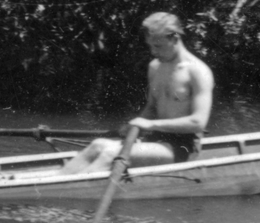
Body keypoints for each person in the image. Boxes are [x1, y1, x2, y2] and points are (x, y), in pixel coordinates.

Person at [56, 11, 215, 174]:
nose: (153, 51)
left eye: (158, 46)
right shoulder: (155, 67)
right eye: (150, 46)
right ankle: (55, 181)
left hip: (181, 147)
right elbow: (152, 108)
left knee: (111, 153)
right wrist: (134, 126)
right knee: (97, 145)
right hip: (155, 140)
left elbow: (198, 122)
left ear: (174, 39)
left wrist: (150, 124)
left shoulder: (198, 72)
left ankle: (76, 190)